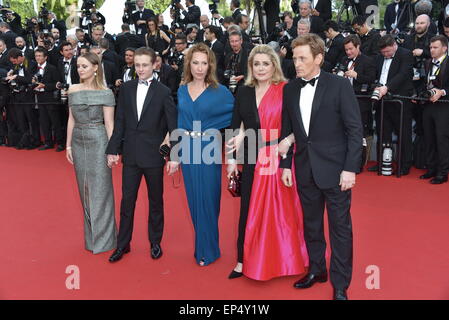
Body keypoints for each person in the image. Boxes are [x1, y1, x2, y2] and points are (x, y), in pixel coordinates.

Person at [279, 34, 362, 300]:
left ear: (318, 58)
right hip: (304, 168)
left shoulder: (339, 86)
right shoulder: (290, 88)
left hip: (337, 172)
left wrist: (350, 168)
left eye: (303, 58)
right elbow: (287, 130)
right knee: (312, 225)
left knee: (340, 229)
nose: (297, 63)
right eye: (295, 58)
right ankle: (317, 270)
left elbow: (354, 130)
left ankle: (340, 284)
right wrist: (285, 165)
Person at [226, 44, 308, 281]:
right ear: (251, 67)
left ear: (274, 65)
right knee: (248, 210)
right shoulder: (243, 91)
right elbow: (235, 125)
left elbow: (296, 125)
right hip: (252, 158)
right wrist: (231, 160)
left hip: (280, 158)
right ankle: (243, 260)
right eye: (256, 64)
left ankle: (284, 258)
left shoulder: (287, 89)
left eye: (265, 63)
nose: (261, 68)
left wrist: (286, 147)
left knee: (281, 213)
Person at [106, 47, 178, 263]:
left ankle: (155, 242)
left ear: (155, 64)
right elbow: (119, 122)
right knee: (127, 202)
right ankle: (123, 244)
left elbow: (173, 125)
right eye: (137, 65)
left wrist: (174, 155)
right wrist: (112, 149)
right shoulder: (126, 89)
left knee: (155, 201)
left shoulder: (164, 91)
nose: (141, 69)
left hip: (154, 156)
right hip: (131, 155)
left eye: (145, 65)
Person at [176, 43, 234, 266]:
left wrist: (232, 156)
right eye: (195, 62)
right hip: (188, 149)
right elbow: (179, 122)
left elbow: (236, 119)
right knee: (193, 200)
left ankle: (209, 250)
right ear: (189, 64)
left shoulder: (220, 91)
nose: (200, 68)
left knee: (209, 200)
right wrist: (175, 154)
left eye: (204, 62)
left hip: (209, 147)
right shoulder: (182, 90)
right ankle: (201, 247)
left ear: (210, 64)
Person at [65, 52, 117, 254]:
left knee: (101, 189)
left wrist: (112, 150)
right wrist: (68, 145)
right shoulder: (73, 89)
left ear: (96, 68)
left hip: (98, 139)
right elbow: (71, 119)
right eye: (78, 66)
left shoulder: (105, 92)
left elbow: (109, 124)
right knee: (84, 189)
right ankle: (92, 237)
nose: (80, 70)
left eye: (84, 66)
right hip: (78, 139)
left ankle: (105, 240)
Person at [420, 35, 449, 184]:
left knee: (442, 140)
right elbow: (425, 83)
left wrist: (442, 92)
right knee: (429, 138)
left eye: (435, 47)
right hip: (428, 105)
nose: (431, 50)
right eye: (430, 47)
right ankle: (431, 169)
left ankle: (442, 173)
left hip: (444, 106)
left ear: (444, 48)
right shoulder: (427, 63)